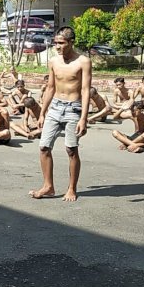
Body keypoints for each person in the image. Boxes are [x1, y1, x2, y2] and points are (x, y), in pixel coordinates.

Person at [29, 26, 92, 202]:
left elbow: (86, 90)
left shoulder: (83, 61)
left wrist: (83, 118)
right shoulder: (53, 61)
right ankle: (48, 186)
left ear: (71, 42)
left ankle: (72, 188)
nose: (58, 46)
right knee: (43, 147)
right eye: (56, 43)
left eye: (61, 43)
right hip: (55, 107)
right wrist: (42, 113)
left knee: (71, 149)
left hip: (73, 108)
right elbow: (50, 87)